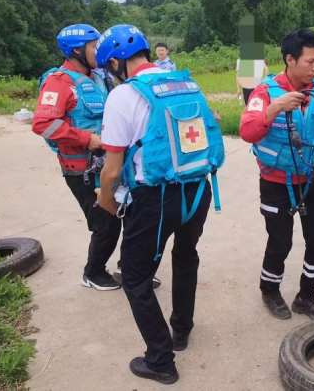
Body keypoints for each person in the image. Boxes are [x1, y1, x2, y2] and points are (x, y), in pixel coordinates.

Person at [95, 24, 224, 385]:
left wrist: (106, 199)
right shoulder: (185, 83)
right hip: (198, 190)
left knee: (135, 277)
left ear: (117, 63)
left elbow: (113, 167)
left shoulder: (122, 96)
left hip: (156, 198)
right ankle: (181, 331)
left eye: (109, 68)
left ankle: (161, 361)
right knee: (185, 256)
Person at [240, 28, 314, 321]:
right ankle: (270, 290)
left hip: (311, 180)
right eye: (309, 61)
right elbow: (247, 132)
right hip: (276, 183)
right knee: (280, 242)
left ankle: (306, 297)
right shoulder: (264, 93)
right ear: (290, 59)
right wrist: (276, 107)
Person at [32, 24, 121, 291]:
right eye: (95, 47)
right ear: (77, 51)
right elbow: (42, 124)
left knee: (127, 215)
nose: (100, 51)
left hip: (108, 162)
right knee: (105, 223)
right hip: (81, 168)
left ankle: (130, 268)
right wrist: (86, 138)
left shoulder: (100, 77)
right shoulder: (60, 82)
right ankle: (93, 273)